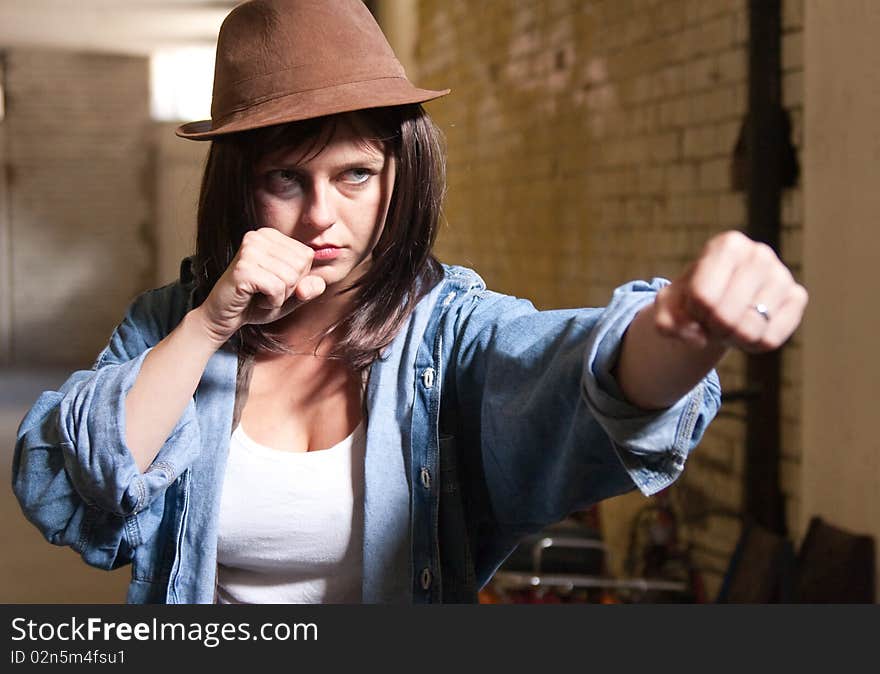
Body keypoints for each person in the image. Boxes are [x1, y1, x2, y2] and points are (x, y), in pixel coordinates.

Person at [12, 0, 807, 605]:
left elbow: (561, 369)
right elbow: (70, 484)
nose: (322, 216)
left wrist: (679, 328)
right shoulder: (169, 323)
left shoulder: (448, 330)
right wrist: (208, 324)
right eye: (285, 178)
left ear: (401, 174)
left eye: (354, 174)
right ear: (239, 188)